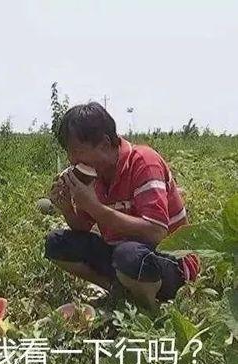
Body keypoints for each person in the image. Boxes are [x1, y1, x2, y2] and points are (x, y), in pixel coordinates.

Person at [44, 102, 199, 310]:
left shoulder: (144, 162)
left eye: (78, 151)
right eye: (69, 152)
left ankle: (148, 308)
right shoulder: (95, 174)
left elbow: (156, 232)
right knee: (56, 243)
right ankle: (118, 293)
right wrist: (66, 208)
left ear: (104, 144)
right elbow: (82, 228)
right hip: (123, 256)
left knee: (129, 255)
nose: (72, 160)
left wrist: (95, 207)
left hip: (171, 262)